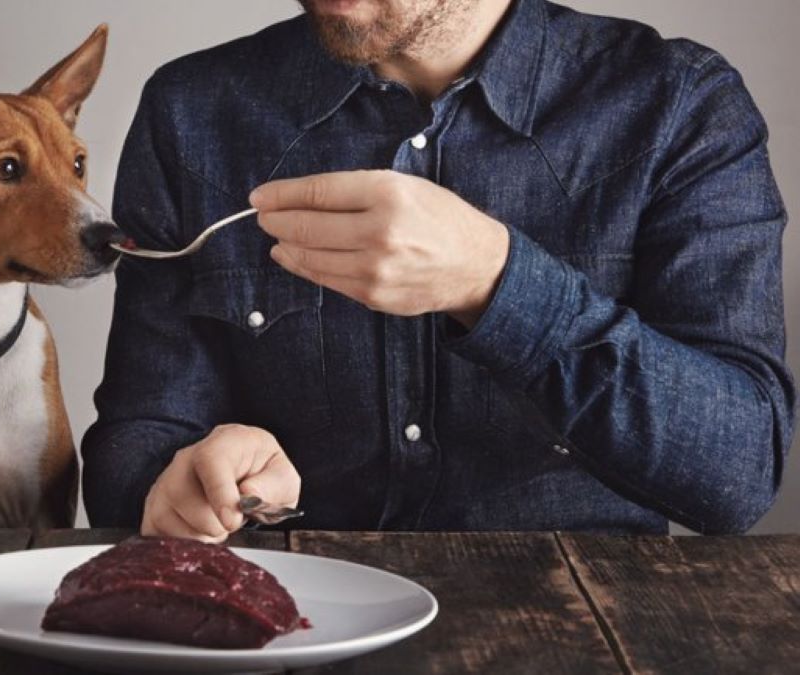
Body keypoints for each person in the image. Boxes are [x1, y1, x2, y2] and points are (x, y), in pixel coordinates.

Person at [81, 0, 794, 540]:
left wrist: (497, 284)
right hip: (291, 627)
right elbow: (136, 437)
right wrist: (173, 481)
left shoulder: (679, 107)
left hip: (576, 628)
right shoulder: (193, 111)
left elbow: (737, 473)